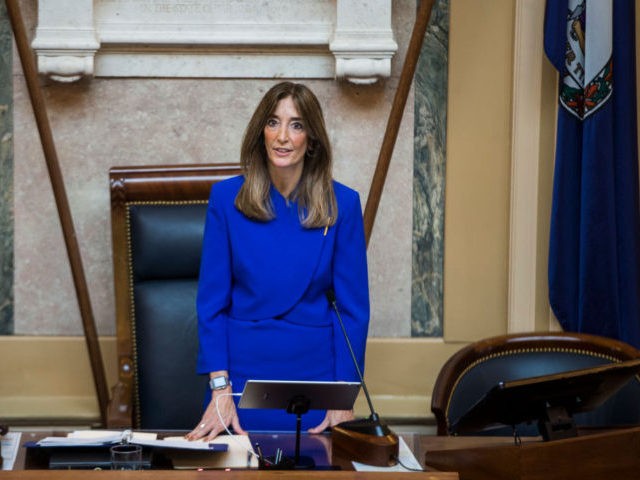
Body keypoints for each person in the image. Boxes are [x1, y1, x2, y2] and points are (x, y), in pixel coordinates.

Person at [186, 81, 370, 441]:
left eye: (296, 125)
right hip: (240, 383)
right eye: (273, 123)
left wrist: (343, 396)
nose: (283, 136)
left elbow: (353, 312)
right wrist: (220, 390)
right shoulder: (226, 199)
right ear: (261, 133)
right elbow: (211, 305)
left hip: (317, 385)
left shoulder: (343, 204)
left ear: (312, 139)